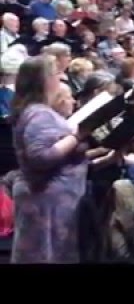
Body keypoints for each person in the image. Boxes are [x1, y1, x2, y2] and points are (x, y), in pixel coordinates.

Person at [10, 55, 90, 263]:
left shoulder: (39, 112)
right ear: (43, 80)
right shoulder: (39, 114)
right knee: (44, 256)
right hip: (45, 199)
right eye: (56, 73)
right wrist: (77, 136)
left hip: (53, 199)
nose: (61, 77)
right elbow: (41, 157)